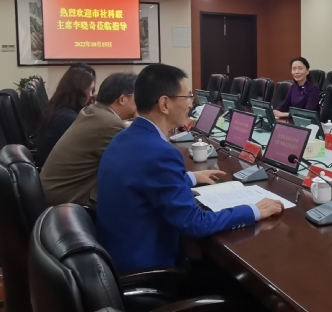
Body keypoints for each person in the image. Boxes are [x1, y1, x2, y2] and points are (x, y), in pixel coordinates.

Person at [96, 63, 284, 273]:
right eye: (186, 97)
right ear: (165, 104)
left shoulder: (123, 137)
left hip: (118, 253)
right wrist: (253, 210)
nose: (191, 104)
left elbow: (146, 181)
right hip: (147, 267)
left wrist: (191, 178)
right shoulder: (160, 153)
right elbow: (194, 223)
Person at [40, 72, 137, 209]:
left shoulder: (93, 111)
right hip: (69, 201)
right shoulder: (109, 124)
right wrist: (143, 122)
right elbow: (134, 165)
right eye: (138, 98)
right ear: (122, 99)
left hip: (56, 192)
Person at [34, 65, 96, 166]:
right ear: (79, 91)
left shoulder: (59, 109)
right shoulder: (67, 119)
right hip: (57, 172)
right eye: (90, 90)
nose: (91, 95)